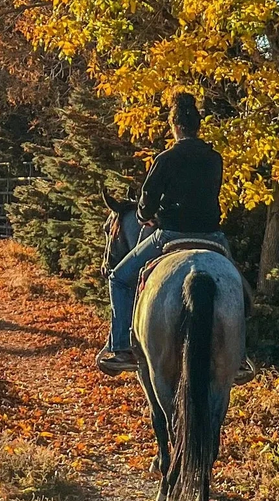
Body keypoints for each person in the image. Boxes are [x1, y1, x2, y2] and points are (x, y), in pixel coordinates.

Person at [98, 92, 233, 374]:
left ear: (175, 127)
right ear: (197, 126)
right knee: (237, 287)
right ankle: (240, 354)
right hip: (213, 236)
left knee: (119, 279)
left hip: (170, 235)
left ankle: (120, 347)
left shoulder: (166, 158)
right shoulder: (215, 159)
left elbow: (147, 200)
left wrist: (144, 217)